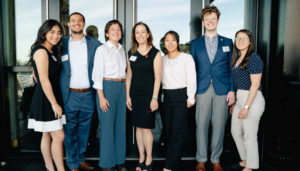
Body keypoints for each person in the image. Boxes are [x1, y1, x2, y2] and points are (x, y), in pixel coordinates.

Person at [190, 5, 235, 171]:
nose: (210, 22)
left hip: (223, 90)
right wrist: (191, 93)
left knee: (219, 125)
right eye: (207, 19)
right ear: (203, 21)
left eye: (213, 19)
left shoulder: (228, 42)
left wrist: (232, 90)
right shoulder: (195, 44)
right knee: (201, 124)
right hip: (201, 89)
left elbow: (231, 68)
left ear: (218, 20)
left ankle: (216, 159)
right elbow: (191, 69)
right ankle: (201, 159)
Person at [60, 12, 101, 171]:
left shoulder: (94, 44)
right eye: (73, 21)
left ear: (84, 24)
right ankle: (72, 162)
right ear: (68, 25)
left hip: (88, 94)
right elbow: (45, 53)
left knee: (85, 129)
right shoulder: (61, 43)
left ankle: (81, 158)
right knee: (70, 130)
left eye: (80, 21)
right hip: (70, 94)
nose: (77, 23)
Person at [27, 19, 65, 171]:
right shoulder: (41, 51)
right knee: (59, 136)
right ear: (44, 32)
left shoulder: (51, 51)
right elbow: (43, 79)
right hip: (46, 99)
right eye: (52, 32)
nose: (56, 36)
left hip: (51, 96)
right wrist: (54, 103)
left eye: (59, 33)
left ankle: (49, 167)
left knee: (47, 135)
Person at [126, 22, 162, 171]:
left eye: (143, 32)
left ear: (148, 34)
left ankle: (149, 158)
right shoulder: (131, 52)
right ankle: (141, 156)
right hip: (135, 95)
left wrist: (154, 98)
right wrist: (128, 95)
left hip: (148, 96)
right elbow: (129, 75)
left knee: (146, 128)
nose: (140, 35)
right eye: (137, 32)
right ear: (134, 35)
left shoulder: (156, 53)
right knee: (138, 128)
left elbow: (158, 77)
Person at [92, 20, 127, 171]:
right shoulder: (102, 50)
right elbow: (97, 74)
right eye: (112, 29)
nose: (116, 32)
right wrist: (101, 96)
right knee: (107, 127)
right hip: (107, 88)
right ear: (107, 33)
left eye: (118, 29)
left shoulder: (121, 49)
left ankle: (119, 160)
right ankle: (107, 164)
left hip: (121, 87)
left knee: (120, 125)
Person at [230, 29, 265, 171]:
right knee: (235, 131)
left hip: (252, 99)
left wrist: (246, 107)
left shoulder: (254, 58)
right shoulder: (237, 58)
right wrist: (236, 103)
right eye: (237, 38)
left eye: (244, 38)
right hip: (240, 98)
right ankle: (245, 160)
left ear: (250, 41)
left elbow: (255, 85)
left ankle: (251, 166)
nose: (240, 40)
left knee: (250, 135)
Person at [161, 31, 196, 171]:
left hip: (181, 96)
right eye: (167, 40)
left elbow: (192, 78)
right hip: (166, 97)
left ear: (178, 42)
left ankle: (168, 166)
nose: (170, 43)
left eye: (173, 40)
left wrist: (191, 97)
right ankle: (175, 162)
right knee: (168, 132)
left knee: (177, 132)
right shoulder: (162, 59)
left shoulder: (186, 58)